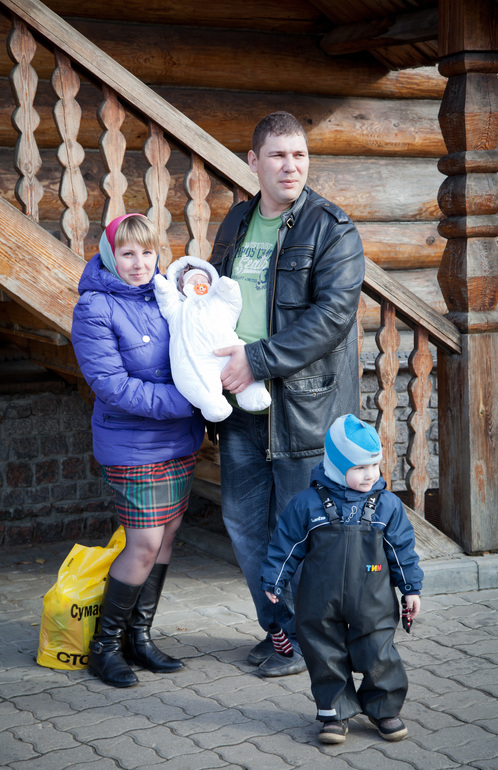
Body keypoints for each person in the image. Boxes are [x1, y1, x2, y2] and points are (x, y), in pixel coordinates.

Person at [209, 111, 365, 676]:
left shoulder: (333, 228)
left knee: (301, 531)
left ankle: (306, 641)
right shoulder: (235, 223)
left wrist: (255, 360)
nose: (290, 166)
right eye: (277, 155)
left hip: (302, 406)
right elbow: (212, 300)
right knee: (245, 526)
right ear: (253, 162)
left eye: (299, 154)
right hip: (239, 407)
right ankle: (279, 631)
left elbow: (333, 317)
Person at [71, 213, 205, 688]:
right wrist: (189, 400)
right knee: (144, 543)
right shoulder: (94, 307)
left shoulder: (166, 293)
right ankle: (103, 648)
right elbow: (112, 385)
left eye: (147, 252)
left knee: (166, 537)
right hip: (133, 444)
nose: (139, 263)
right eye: (127, 253)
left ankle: (138, 637)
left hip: (178, 439)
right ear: (111, 256)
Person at [261, 414, 423, 744]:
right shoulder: (306, 505)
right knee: (324, 653)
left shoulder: (388, 505)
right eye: (359, 467)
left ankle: (384, 708)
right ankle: (334, 713)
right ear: (336, 465)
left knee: (379, 651)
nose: (370, 475)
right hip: (319, 600)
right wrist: (274, 580)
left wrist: (410, 589)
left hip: (373, 599)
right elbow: (285, 545)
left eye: (374, 465)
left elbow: (403, 550)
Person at [153, 255, 271, 422]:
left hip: (228, 350)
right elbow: (167, 303)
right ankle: (212, 403)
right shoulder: (179, 308)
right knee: (192, 377)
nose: (199, 284)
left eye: (203, 281)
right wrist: (165, 290)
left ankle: (252, 394)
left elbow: (233, 302)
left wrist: (227, 288)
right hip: (197, 358)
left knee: (244, 358)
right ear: (182, 288)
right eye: (193, 282)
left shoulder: (218, 302)